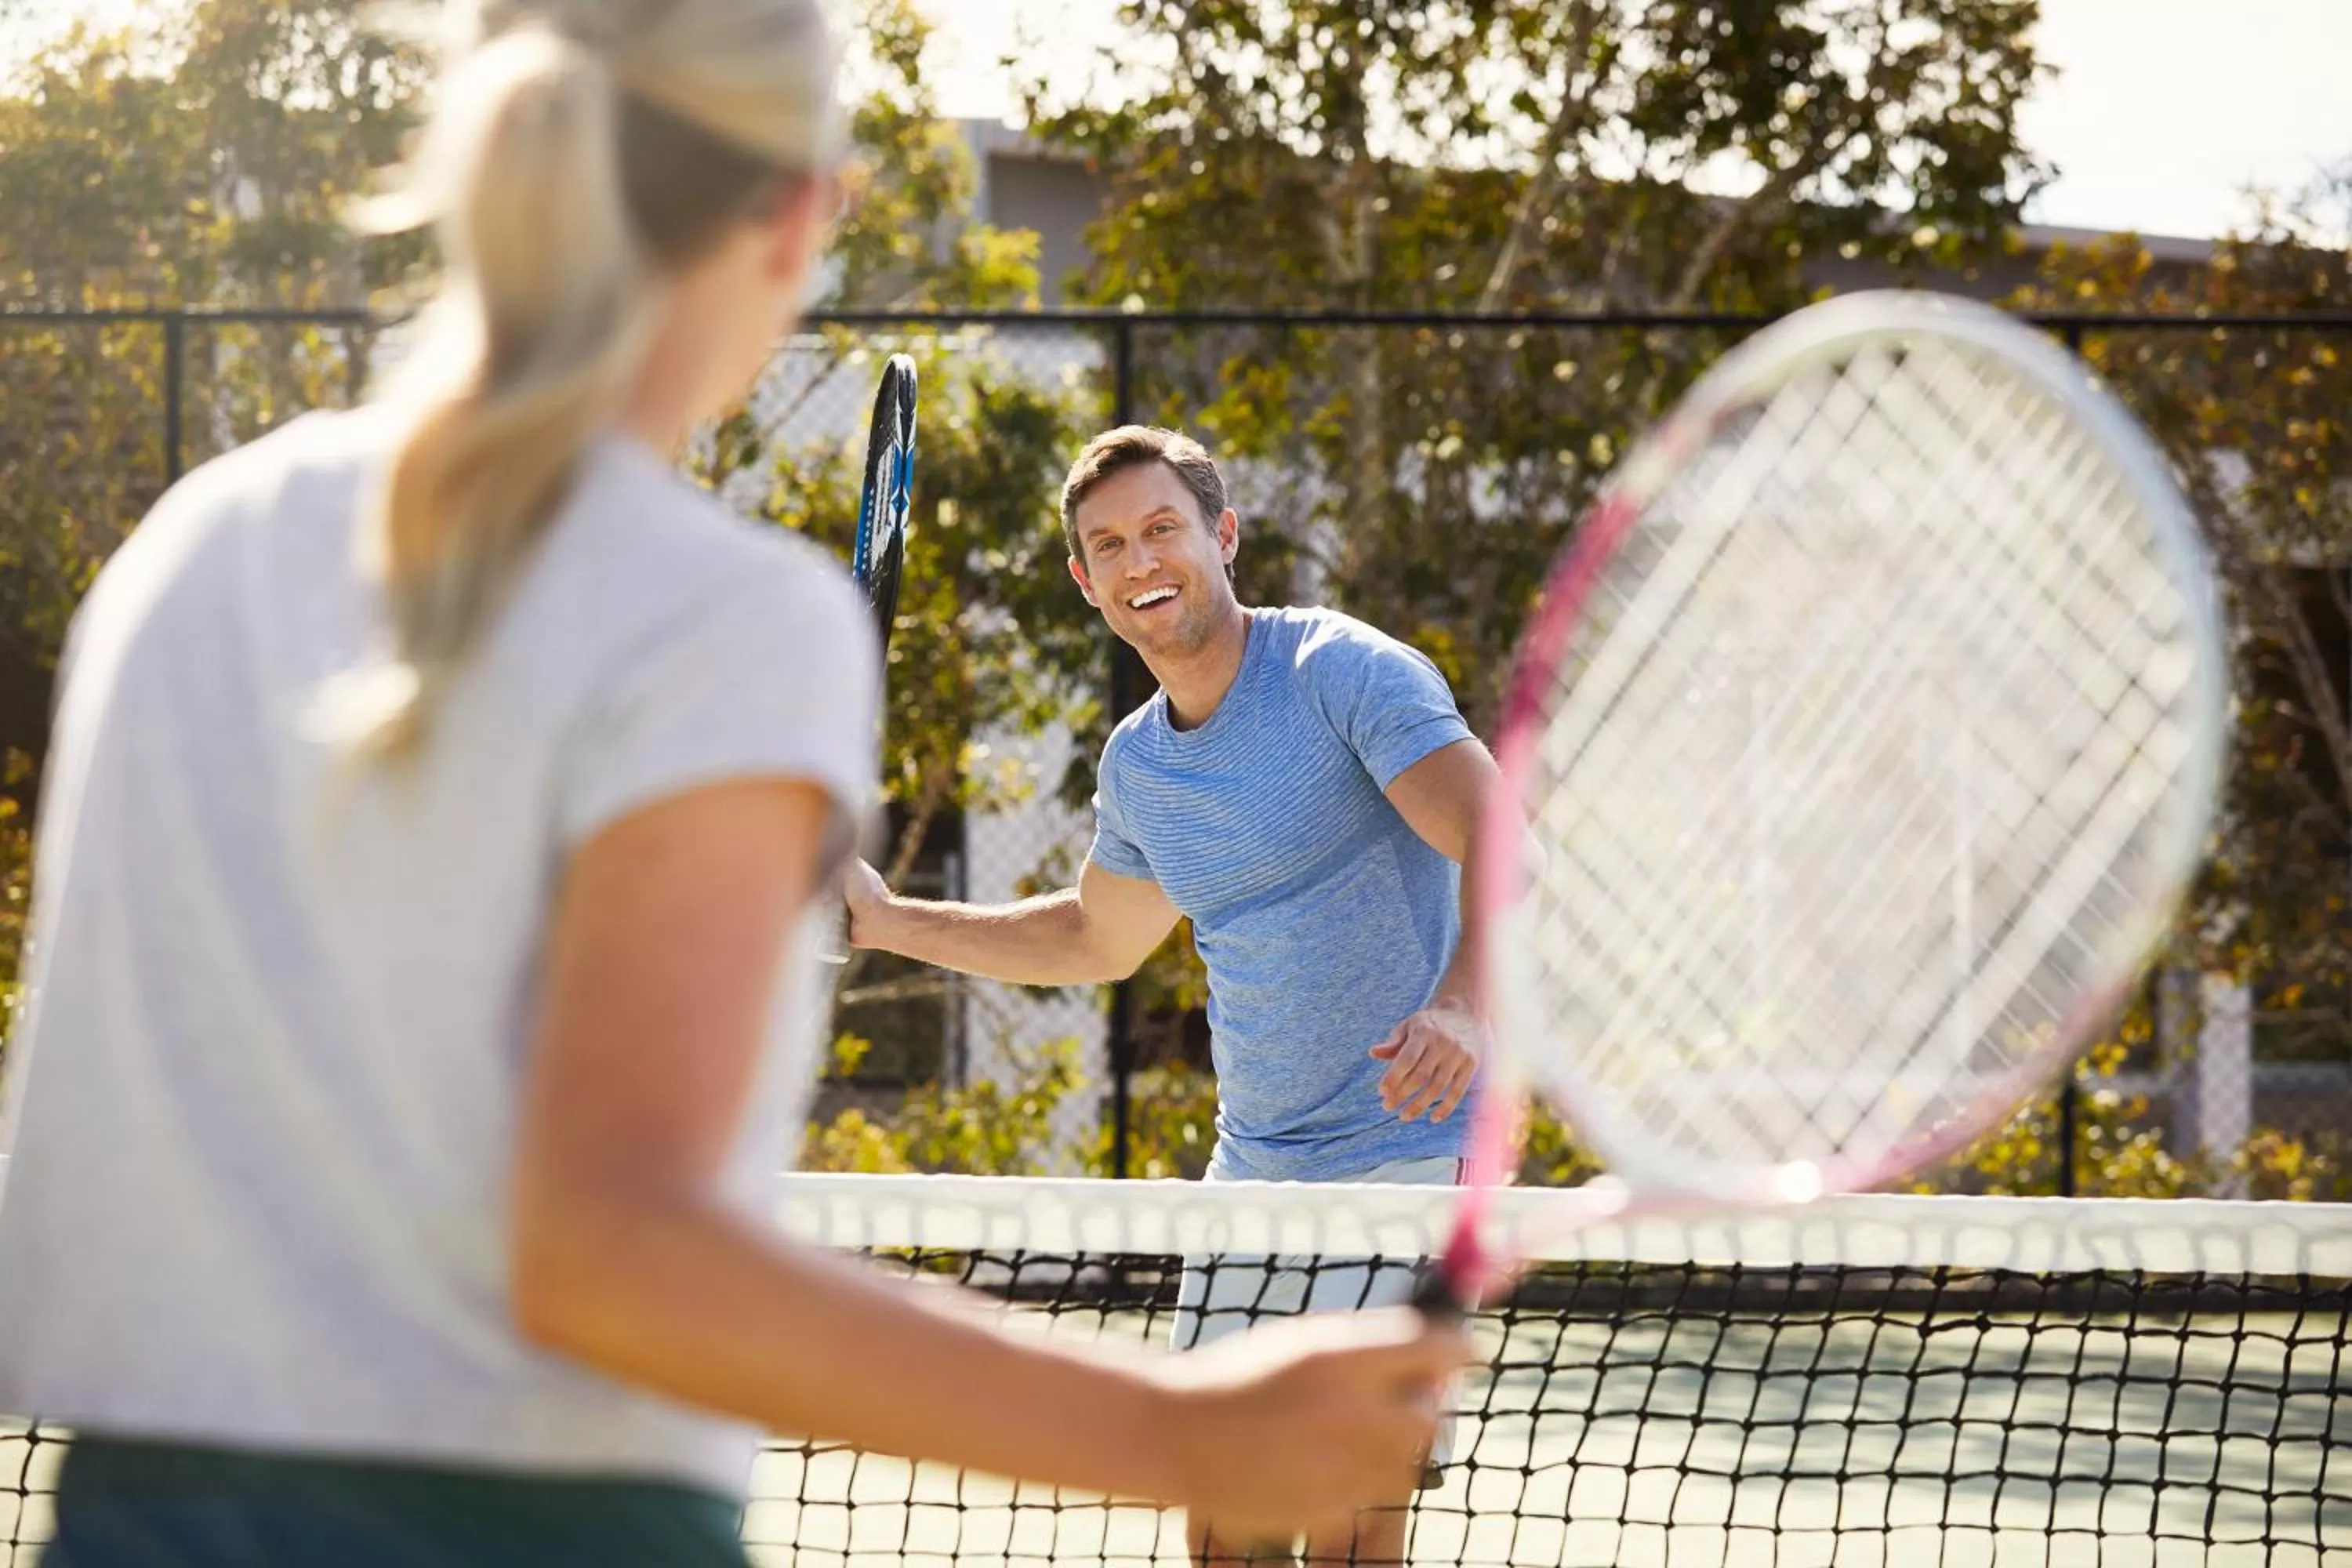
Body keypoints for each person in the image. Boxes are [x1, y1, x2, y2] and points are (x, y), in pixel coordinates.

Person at [0, 5, 1462, 1565]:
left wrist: (868, 918)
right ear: (801, 212)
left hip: (131, 1517)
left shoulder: (193, 553)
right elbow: (612, 1253)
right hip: (551, 1521)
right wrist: (1183, 1430)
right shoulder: (728, 619)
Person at [846, 424, 1501, 1566]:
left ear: (1224, 536)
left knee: (1352, 1534)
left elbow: (1501, 836)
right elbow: (1095, 938)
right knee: (1223, 1537)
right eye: (1110, 544)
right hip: (1252, 1174)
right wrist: (892, 921)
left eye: (1163, 528)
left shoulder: (1342, 673)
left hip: (1403, 1158)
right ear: (1086, 584)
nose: (1141, 559)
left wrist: (1464, 1003)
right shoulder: (1140, 765)